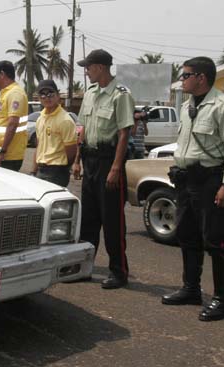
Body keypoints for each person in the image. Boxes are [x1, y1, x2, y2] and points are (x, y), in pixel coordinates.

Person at [161, 56, 224, 321]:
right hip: (188, 180)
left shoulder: (223, 106)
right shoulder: (188, 106)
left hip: (213, 181)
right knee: (186, 235)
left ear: (201, 78)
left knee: (217, 240)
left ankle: (222, 299)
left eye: (186, 75)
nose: (182, 80)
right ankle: (191, 289)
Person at [73, 49, 134, 289]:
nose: (86, 72)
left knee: (112, 221)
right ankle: (84, 268)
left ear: (100, 67)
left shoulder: (121, 95)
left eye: (88, 67)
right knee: (88, 220)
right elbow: (83, 129)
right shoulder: (90, 94)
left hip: (110, 161)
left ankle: (118, 271)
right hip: (90, 161)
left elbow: (123, 133)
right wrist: (77, 159)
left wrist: (116, 168)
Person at [0, 60, 29, 171]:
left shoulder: (15, 93)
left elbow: (12, 124)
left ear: (2, 74)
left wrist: (2, 152)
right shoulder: (3, 94)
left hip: (8, 156)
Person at [29, 79, 77, 187]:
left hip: (57, 173)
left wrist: (62, 169)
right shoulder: (40, 118)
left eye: (50, 93)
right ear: (39, 98)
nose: (47, 97)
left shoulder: (65, 120)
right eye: (43, 94)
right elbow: (39, 147)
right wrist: (33, 171)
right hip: (41, 170)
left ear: (58, 95)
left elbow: (71, 151)